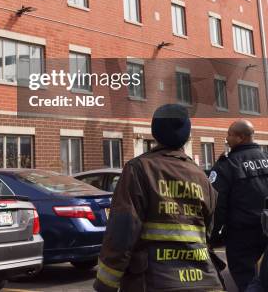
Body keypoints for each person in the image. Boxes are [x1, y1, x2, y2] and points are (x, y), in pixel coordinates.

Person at [94, 104, 224, 292]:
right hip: (205, 280)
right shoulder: (201, 177)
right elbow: (208, 232)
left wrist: (106, 283)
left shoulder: (138, 169)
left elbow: (122, 229)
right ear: (187, 135)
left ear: (155, 132)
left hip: (154, 282)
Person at [209, 119, 268, 292]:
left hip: (241, 237)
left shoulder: (228, 165)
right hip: (265, 231)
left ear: (240, 137)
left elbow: (217, 205)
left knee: (246, 281)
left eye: (229, 134)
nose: (226, 138)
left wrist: (212, 237)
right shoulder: (266, 159)